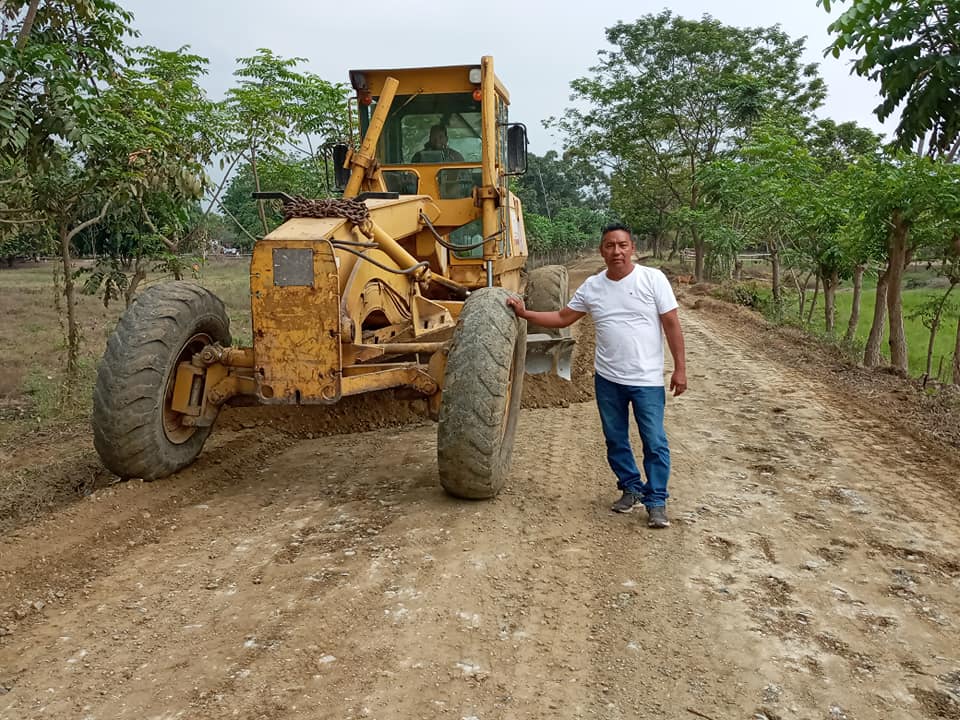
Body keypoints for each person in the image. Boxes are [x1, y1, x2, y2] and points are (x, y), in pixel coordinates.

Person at [506, 223, 687, 529]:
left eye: (622, 245)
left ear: (632, 248)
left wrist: (680, 368)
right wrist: (526, 314)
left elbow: (671, 323)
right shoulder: (593, 286)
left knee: (654, 441)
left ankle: (656, 501)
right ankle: (631, 488)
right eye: (609, 245)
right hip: (608, 379)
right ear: (601, 250)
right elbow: (563, 317)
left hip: (646, 380)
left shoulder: (653, 279)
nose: (617, 251)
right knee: (615, 440)